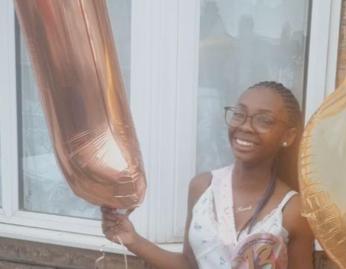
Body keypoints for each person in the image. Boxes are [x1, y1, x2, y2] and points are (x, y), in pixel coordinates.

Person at [101, 81, 315, 268]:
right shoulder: (203, 187)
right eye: (239, 114)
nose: (245, 127)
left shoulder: (293, 211)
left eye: (263, 120)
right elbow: (189, 265)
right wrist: (133, 240)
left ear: (288, 135)